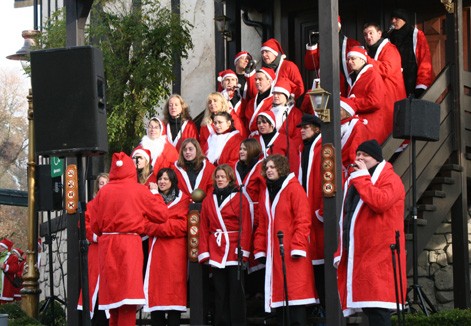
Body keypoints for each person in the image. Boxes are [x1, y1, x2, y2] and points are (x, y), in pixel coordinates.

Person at [91, 152, 169, 326]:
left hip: (107, 245)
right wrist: (156, 193)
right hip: (129, 244)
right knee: (127, 298)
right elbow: (162, 215)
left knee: (113, 301)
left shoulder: (104, 193)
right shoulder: (139, 190)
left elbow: (95, 225)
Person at [335, 139, 406, 325]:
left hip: (380, 253)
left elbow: (380, 202)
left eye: (364, 155)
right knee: (370, 308)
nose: (359, 158)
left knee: (378, 309)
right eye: (357, 154)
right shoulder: (357, 180)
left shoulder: (391, 179)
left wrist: (361, 178)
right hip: (363, 253)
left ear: (376, 158)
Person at [254, 155, 318, 324]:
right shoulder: (266, 192)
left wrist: (297, 246)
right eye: (266, 167)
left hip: (292, 252)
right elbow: (262, 223)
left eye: (272, 167)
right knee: (280, 299)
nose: (268, 170)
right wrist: (260, 248)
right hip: (274, 253)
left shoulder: (294, 189)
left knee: (295, 298)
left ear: (281, 168)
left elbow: (303, 220)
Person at [198, 164, 252, 326]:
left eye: (223, 177)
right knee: (219, 292)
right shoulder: (208, 199)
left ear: (230, 179)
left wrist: (243, 250)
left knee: (236, 291)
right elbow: (203, 228)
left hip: (235, 251)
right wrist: (205, 252)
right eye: (218, 177)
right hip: (216, 250)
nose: (220, 180)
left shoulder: (240, 198)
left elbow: (246, 227)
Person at [144, 168, 189, 326]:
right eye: (160, 179)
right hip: (156, 254)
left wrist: (159, 227)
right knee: (156, 298)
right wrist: (165, 227)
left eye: (166, 179)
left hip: (175, 255)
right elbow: (144, 224)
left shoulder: (183, 200)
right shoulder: (150, 199)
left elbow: (183, 226)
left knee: (173, 298)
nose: (162, 182)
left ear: (173, 181)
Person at [296, 114, 325, 309]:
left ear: (316, 128)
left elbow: (328, 178)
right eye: (301, 127)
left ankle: (324, 306)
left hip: (317, 212)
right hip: (308, 210)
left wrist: (320, 211)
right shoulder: (304, 149)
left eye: (306, 127)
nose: (302, 130)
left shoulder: (323, 148)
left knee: (321, 260)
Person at [78, 172, 109, 324]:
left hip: (111, 251)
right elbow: (84, 225)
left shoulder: (116, 204)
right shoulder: (91, 206)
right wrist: (97, 237)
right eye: (101, 183)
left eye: (106, 183)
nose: (103, 186)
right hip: (96, 251)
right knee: (94, 287)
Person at [304, 16, 361, 97]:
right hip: (325, 87)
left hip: (348, 87)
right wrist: (312, 46)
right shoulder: (320, 45)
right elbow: (310, 66)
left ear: (339, 27)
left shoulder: (352, 44)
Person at [346, 46, 392, 144]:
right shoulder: (352, 77)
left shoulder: (372, 75)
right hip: (362, 127)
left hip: (371, 127)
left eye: (353, 59)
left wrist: (353, 103)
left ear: (362, 60)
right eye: (348, 59)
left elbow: (376, 101)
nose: (349, 62)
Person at [389, 8, 434, 98]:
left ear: (404, 20)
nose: (393, 21)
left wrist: (421, 85)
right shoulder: (390, 36)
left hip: (412, 84)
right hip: (394, 85)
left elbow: (425, 60)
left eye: (397, 18)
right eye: (392, 18)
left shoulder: (416, 34)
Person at [363, 22, 406, 103]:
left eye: (371, 33)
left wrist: (366, 59)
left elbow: (387, 70)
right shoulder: (371, 50)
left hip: (392, 98)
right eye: (365, 34)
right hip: (383, 97)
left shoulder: (390, 49)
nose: (368, 37)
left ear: (379, 34)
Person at [339, 97, 369, 177]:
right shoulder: (338, 125)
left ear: (347, 112)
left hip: (349, 170)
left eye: (339, 110)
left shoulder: (357, 126)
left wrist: (353, 171)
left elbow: (355, 151)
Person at [245, 67, 276, 133]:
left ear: (269, 81)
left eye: (260, 79)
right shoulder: (251, 102)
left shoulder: (274, 101)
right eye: (255, 79)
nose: (257, 82)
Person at [0, 238, 18, 304]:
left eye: (1, 246)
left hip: (6, 284)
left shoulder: (13, 257)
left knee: (4, 305)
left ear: (5, 248)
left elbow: (15, 269)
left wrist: (5, 266)